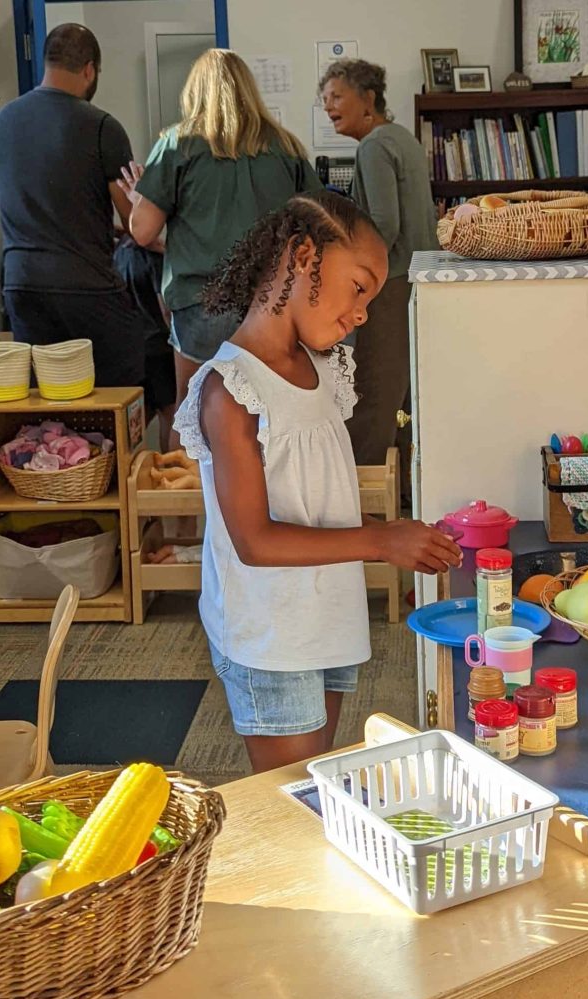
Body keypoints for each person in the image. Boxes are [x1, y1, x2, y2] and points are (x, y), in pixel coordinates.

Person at [150, 191, 461, 773]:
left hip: (324, 615)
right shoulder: (230, 389)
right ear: (301, 258)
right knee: (289, 806)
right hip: (271, 634)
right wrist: (380, 540)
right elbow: (255, 540)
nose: (363, 311)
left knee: (315, 785)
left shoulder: (322, 370)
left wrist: (397, 535)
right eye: (359, 286)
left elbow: (316, 504)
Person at [117, 48, 322, 442]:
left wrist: (141, 198)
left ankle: (193, 500)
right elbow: (315, 223)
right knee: (269, 417)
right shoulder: (287, 147)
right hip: (272, 307)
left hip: (201, 306)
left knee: (191, 414)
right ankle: (267, 501)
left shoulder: (178, 144)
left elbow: (142, 232)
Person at [0, 23, 145, 387]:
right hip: (86, 287)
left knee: (43, 396)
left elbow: (37, 194)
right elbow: (134, 222)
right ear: (89, 69)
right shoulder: (102, 126)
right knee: (122, 387)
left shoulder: (1, 124)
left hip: (21, 284)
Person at [320, 59, 438, 491]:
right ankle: (402, 494)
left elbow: (384, 226)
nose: (329, 107)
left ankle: (363, 501)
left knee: (372, 395)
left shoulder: (373, 146)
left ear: (367, 99)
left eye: (337, 96)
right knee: (404, 398)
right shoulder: (402, 138)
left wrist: (354, 284)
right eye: (325, 100)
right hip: (416, 282)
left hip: (389, 287)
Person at [113, 234, 176, 450]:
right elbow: (166, 309)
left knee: (136, 418)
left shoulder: (119, 251)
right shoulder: (155, 258)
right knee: (171, 414)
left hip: (129, 347)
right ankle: (170, 471)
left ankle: (123, 472)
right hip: (160, 347)